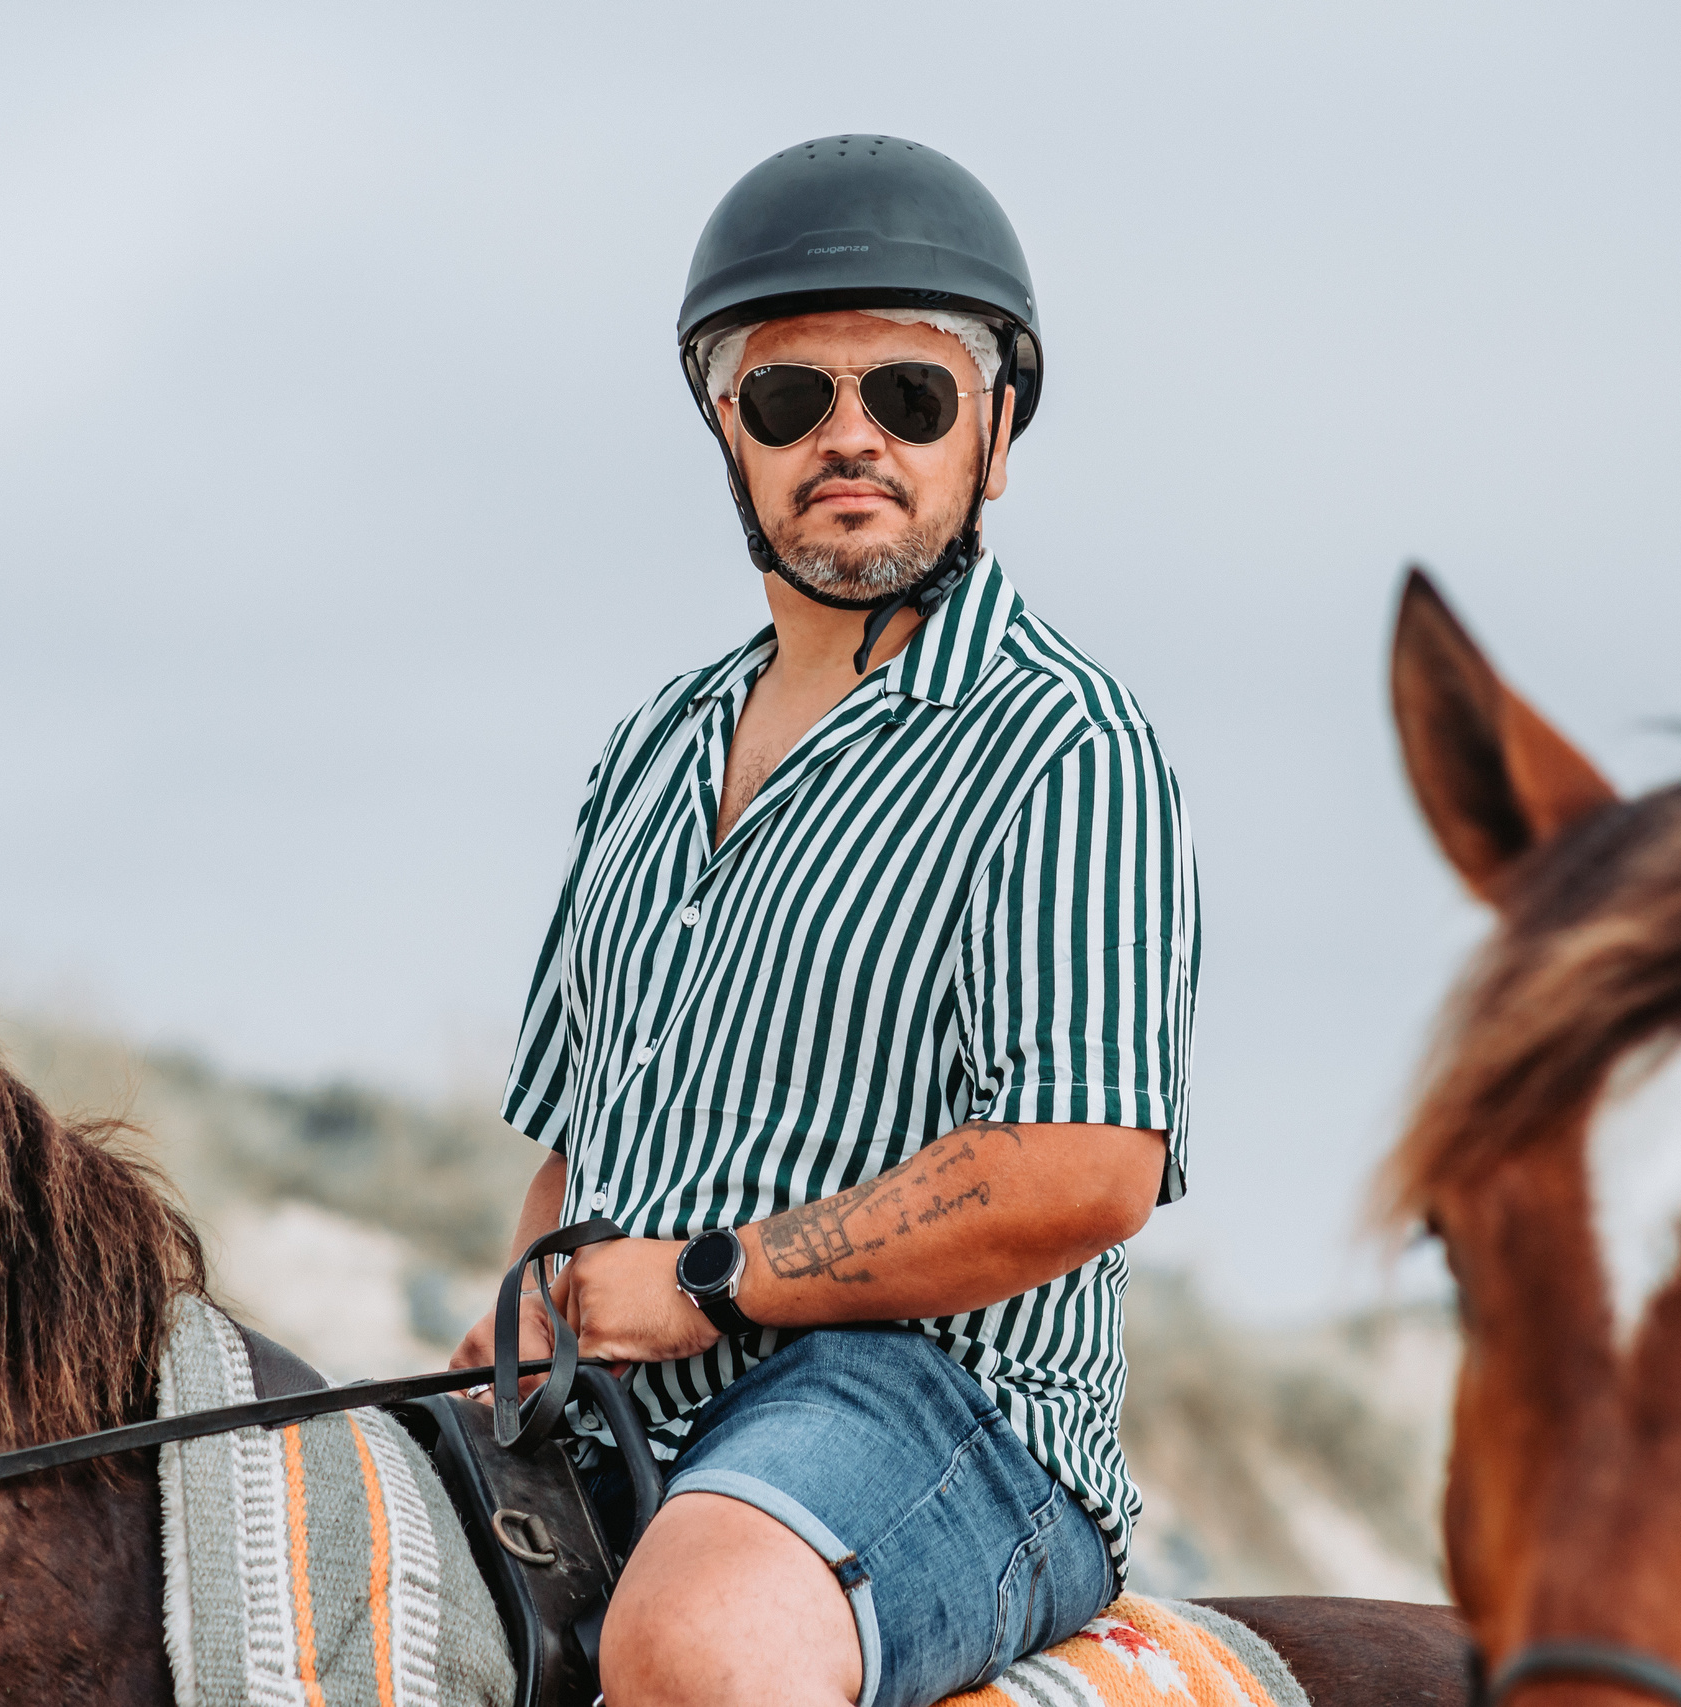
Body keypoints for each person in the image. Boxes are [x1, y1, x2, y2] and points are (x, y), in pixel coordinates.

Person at [454, 135, 1201, 1707]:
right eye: (791, 397)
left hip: (947, 1410)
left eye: (911, 396)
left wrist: (709, 1280)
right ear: (728, 431)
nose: (849, 436)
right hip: (620, 1401)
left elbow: (1084, 1166)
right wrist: (526, 1309)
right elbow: (581, 1143)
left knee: (701, 1643)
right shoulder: (650, 748)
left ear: (998, 435)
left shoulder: (1063, 743)